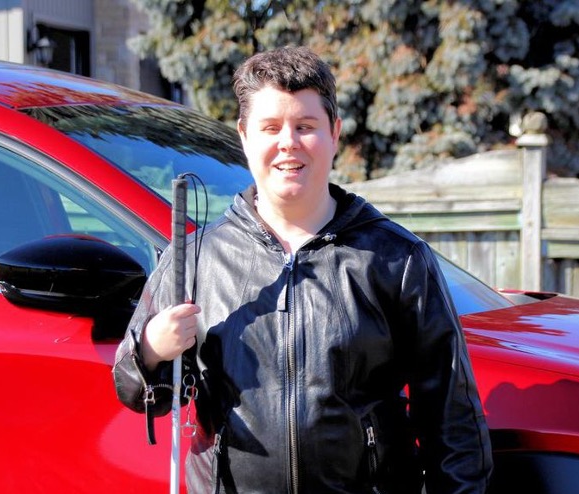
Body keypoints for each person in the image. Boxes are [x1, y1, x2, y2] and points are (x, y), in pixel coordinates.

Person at [113, 45, 493, 494]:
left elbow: (453, 423)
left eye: (305, 126)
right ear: (244, 135)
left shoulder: (395, 259)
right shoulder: (195, 259)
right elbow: (136, 391)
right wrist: (152, 349)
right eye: (271, 127)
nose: (288, 142)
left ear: (334, 132)